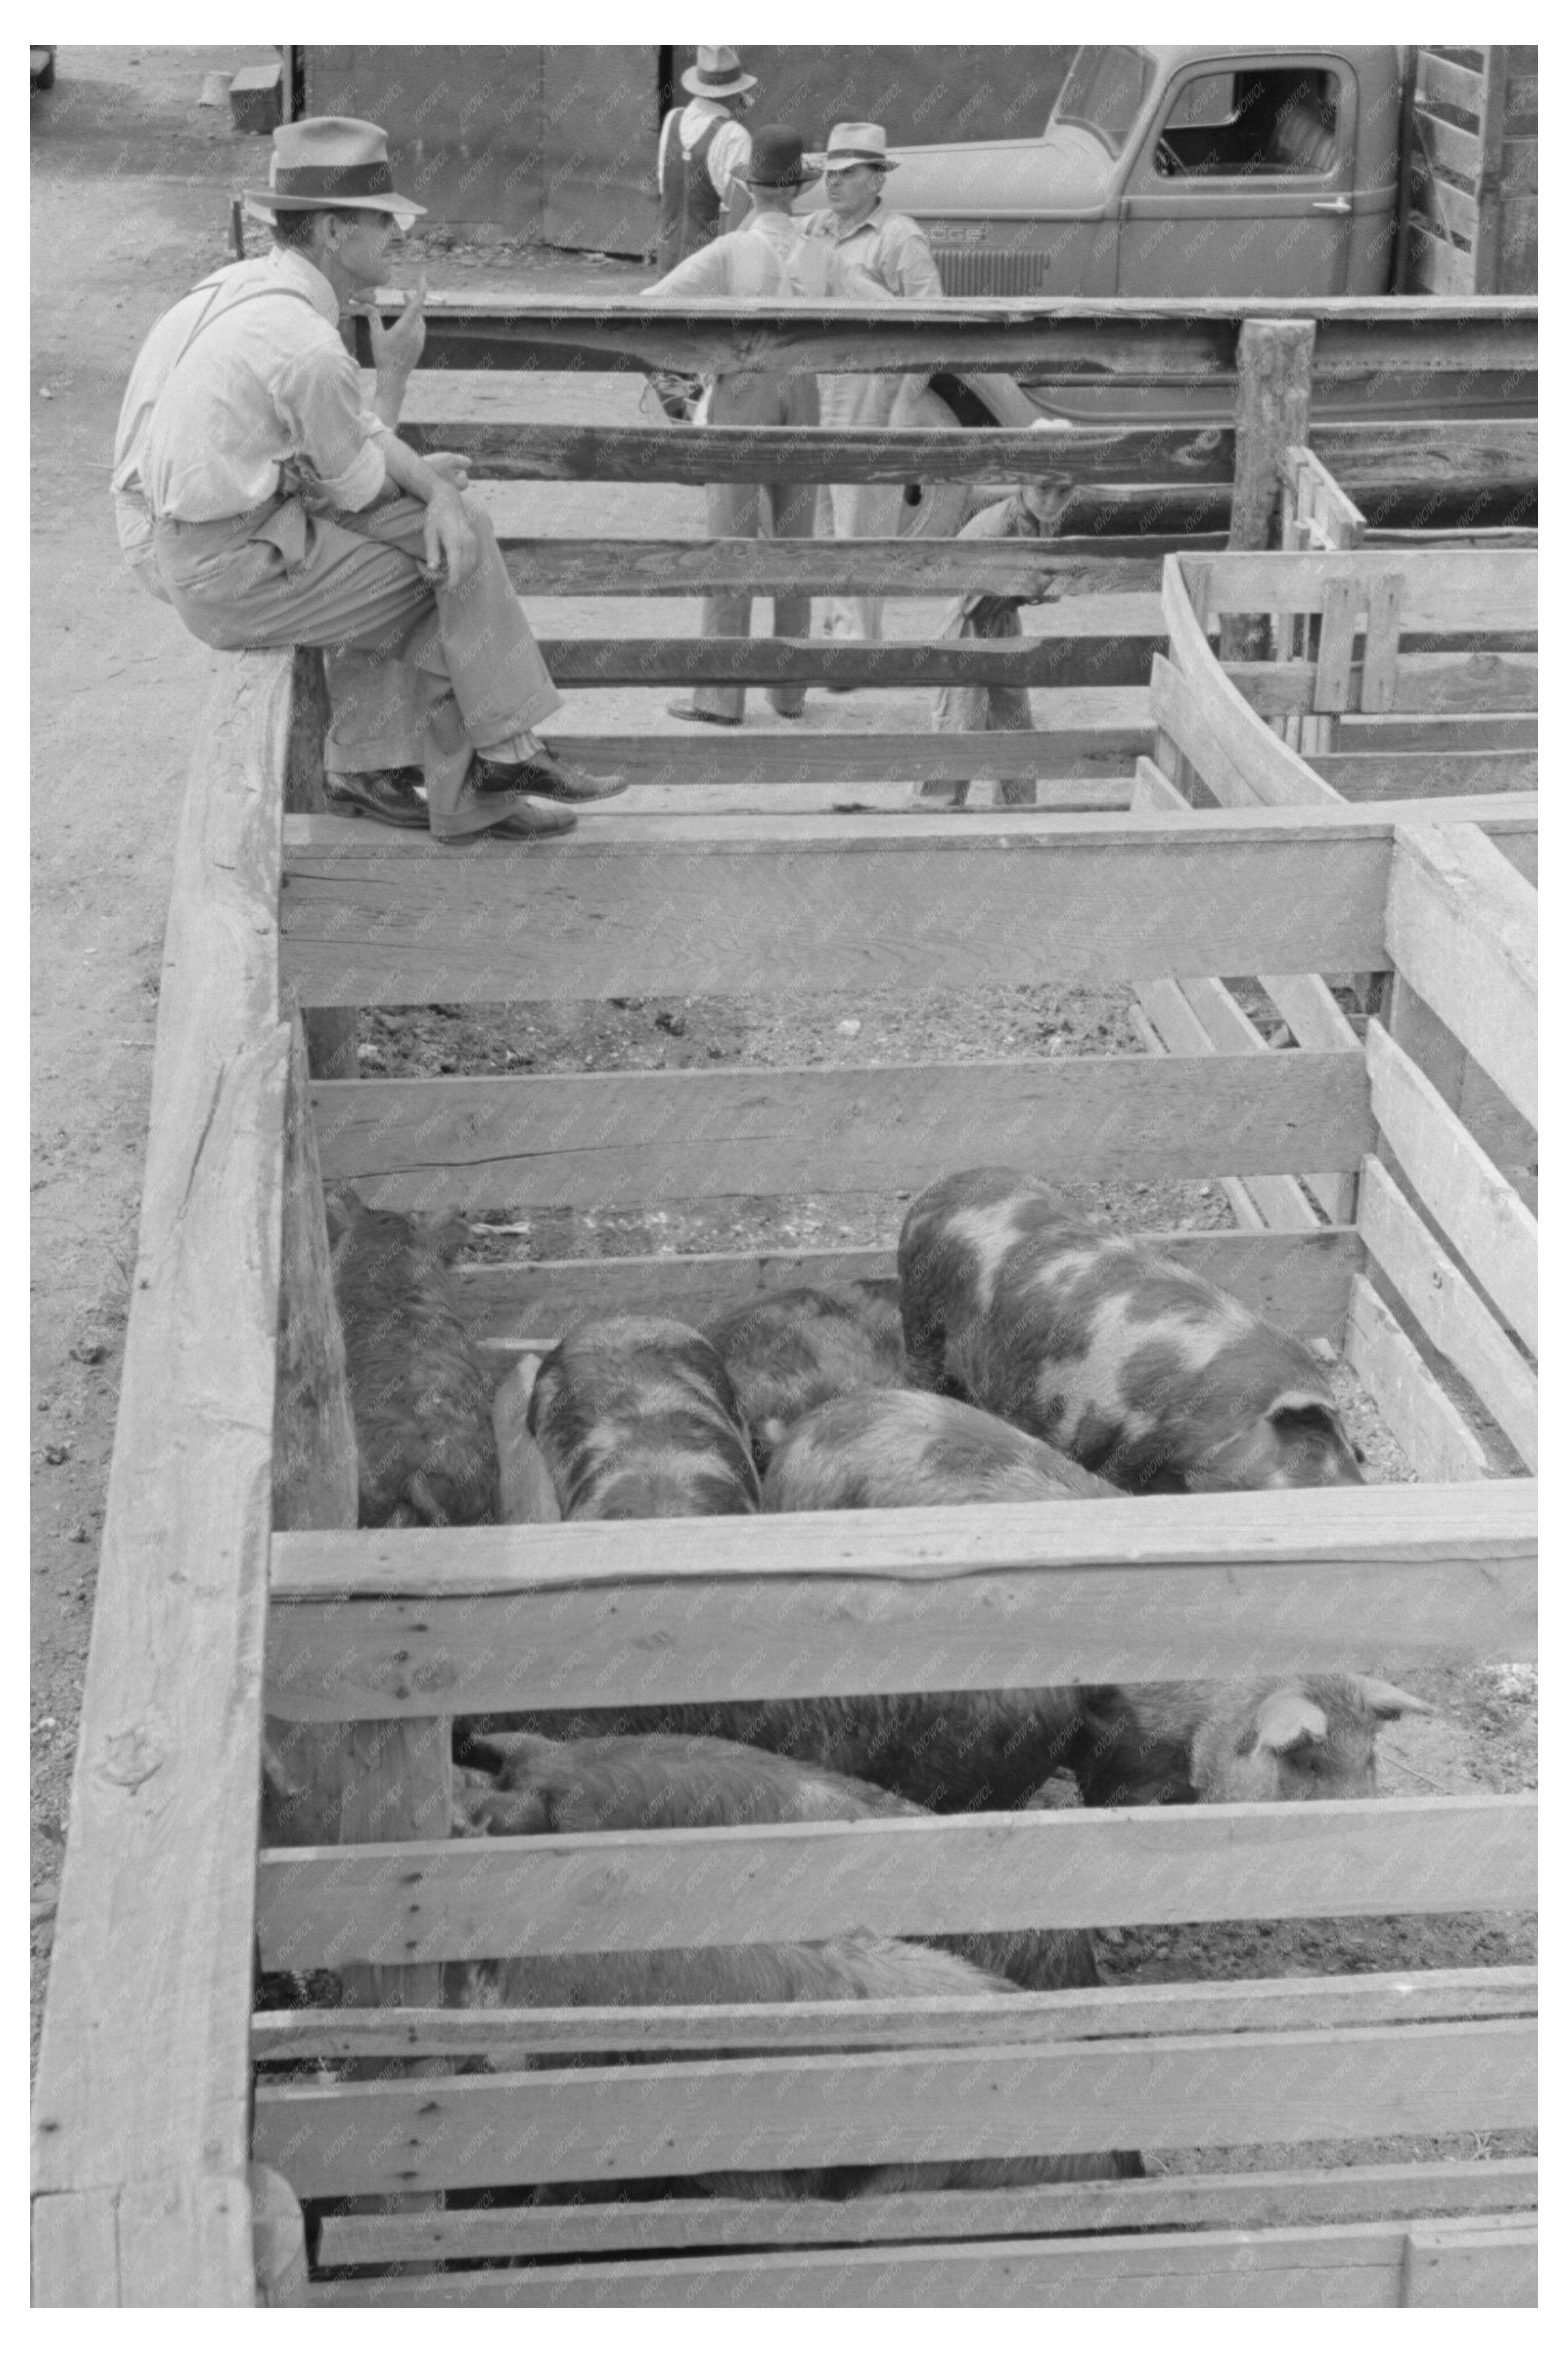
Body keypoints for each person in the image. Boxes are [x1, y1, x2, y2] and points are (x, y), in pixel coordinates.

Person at [112, 116, 623, 842]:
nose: (398, 235)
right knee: (447, 571)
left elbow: (358, 443)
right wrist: (429, 487)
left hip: (212, 533)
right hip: (225, 568)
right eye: (381, 219)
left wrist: (430, 486)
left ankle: (408, 767)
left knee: (449, 534)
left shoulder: (243, 288)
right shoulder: (307, 345)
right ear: (330, 230)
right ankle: (489, 763)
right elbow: (358, 485)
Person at [645, 126, 830, 729]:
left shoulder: (731, 251)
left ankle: (721, 696)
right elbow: (879, 303)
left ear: (751, 189)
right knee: (796, 537)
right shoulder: (821, 255)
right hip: (803, 387)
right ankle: (790, 689)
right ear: (798, 190)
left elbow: (656, 299)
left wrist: (701, 353)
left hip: (746, 384)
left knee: (732, 534)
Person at [800, 122, 949, 655]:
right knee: (819, 526)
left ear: (877, 178)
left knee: (860, 528)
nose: (834, 183)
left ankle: (858, 651)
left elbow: (933, 327)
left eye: (848, 173)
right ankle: (833, 642)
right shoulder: (813, 228)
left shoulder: (899, 238)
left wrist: (904, 404)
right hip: (816, 395)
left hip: (869, 401)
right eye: (830, 173)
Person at [921, 472, 1075, 811]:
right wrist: (1033, 590)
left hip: (1004, 623)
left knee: (1016, 726)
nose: (1052, 502)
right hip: (968, 630)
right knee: (960, 727)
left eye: (1064, 492)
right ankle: (935, 818)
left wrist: (1040, 585)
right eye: (1043, 489)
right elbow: (971, 604)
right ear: (1024, 481)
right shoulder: (997, 528)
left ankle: (1017, 817)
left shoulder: (1041, 520)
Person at [650, 46, 758, 422]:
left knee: (671, 357)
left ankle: (673, 422)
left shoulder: (673, 120)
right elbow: (739, 213)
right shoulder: (734, 136)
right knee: (708, 365)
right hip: (709, 266)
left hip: (669, 261)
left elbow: (665, 189)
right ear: (735, 92)